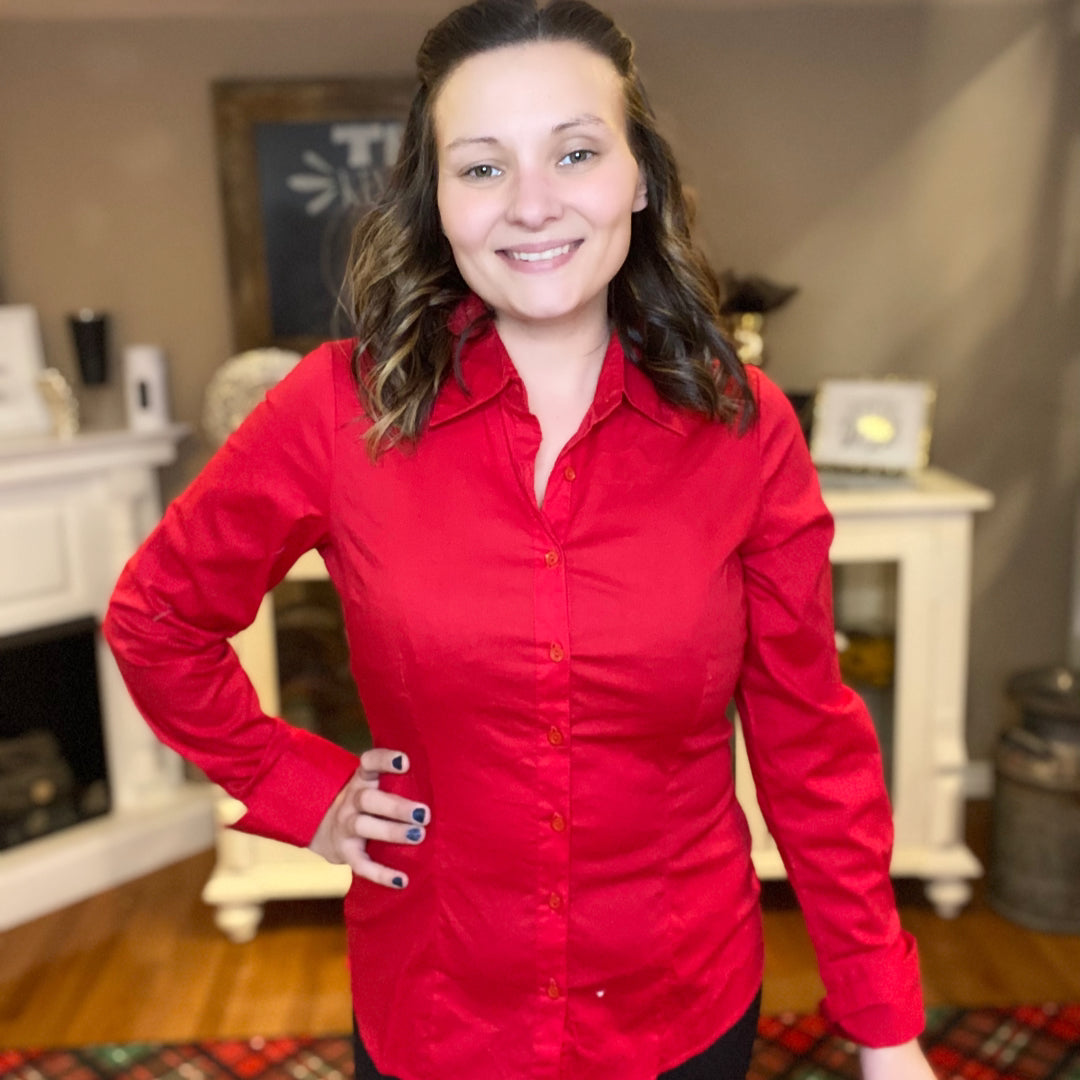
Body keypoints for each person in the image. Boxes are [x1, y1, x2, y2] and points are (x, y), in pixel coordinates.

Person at [104, 2, 938, 1078]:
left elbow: (809, 744)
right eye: (483, 167)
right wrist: (296, 787)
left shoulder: (745, 427)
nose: (532, 204)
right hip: (439, 1013)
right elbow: (156, 619)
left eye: (576, 152)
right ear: (438, 200)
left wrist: (884, 1027)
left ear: (640, 178)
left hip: (679, 1009)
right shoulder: (335, 409)